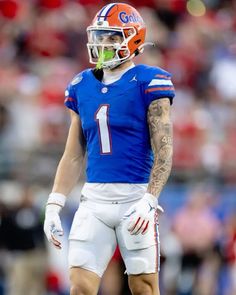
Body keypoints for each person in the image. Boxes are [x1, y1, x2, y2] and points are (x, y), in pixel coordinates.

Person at [43, 3, 175, 295]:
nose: (103, 43)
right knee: (80, 286)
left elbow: (164, 148)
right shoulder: (81, 85)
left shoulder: (149, 81)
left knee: (143, 287)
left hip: (135, 197)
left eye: (112, 37)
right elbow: (74, 153)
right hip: (94, 199)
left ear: (132, 39)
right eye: (100, 36)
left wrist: (150, 198)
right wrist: (55, 202)